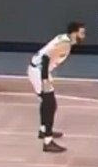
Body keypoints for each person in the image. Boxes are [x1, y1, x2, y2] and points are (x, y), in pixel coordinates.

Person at [28, 22, 85, 153]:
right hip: (38, 71)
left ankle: (43, 130)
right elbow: (46, 58)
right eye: (81, 33)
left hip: (39, 70)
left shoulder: (64, 39)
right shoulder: (64, 44)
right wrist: (45, 79)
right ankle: (48, 141)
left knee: (47, 102)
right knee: (50, 103)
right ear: (74, 33)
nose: (83, 36)